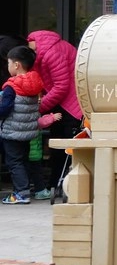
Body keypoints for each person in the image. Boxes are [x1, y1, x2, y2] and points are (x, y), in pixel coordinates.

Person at [26, 30, 84, 196]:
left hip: (70, 107)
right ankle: (56, 185)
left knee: (63, 148)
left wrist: (38, 108)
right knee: (60, 148)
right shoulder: (46, 52)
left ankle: (61, 186)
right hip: (63, 106)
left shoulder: (52, 53)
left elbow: (61, 87)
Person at [1, 46, 45, 205]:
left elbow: (5, 109)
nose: (8, 66)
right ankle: (22, 189)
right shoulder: (35, 83)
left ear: (17, 65)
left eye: (8, 63)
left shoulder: (11, 86)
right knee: (23, 160)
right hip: (27, 132)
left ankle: (21, 193)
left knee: (14, 162)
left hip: (12, 132)